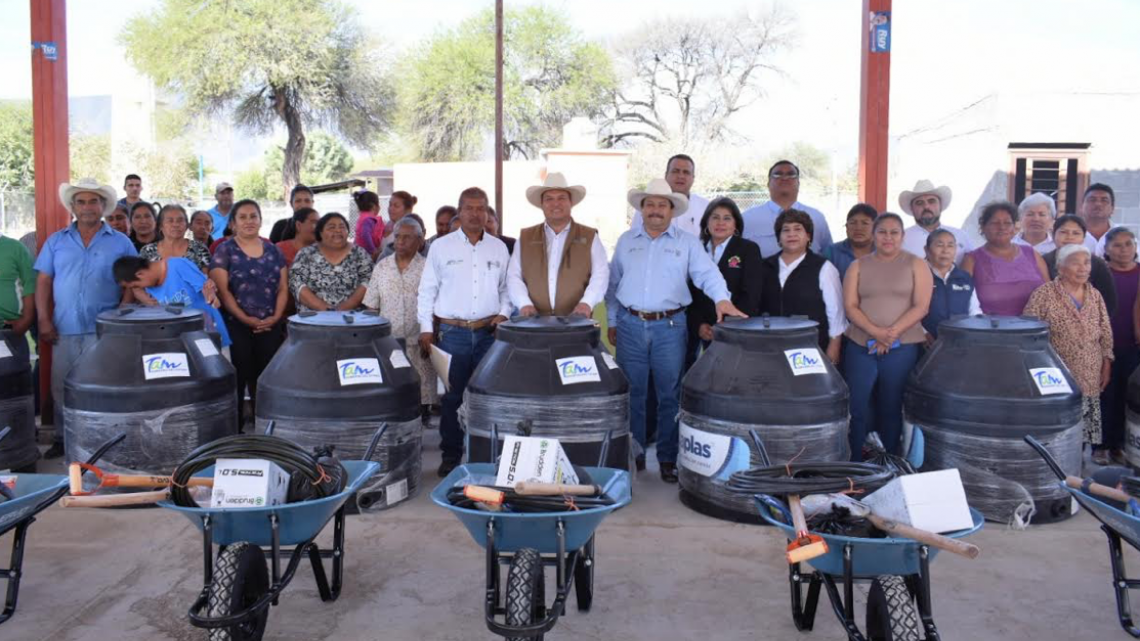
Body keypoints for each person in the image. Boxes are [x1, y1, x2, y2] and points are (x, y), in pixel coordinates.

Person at [606, 178, 747, 483]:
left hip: (670, 326)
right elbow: (613, 285)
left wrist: (722, 299)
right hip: (630, 326)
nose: (656, 210)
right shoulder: (626, 241)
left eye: (662, 205)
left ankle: (668, 457)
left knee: (670, 394)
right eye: (650, 204)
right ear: (642, 209)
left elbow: (707, 274)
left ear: (672, 210)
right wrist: (614, 321)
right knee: (634, 393)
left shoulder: (687, 243)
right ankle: (636, 453)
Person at [35, 178, 137, 458]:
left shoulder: (121, 242)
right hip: (64, 328)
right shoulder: (56, 242)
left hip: (103, 331)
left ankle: (103, 441)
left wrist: (120, 315)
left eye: (93, 201)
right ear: (72, 206)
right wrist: (43, 319)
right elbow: (43, 281)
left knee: (103, 386)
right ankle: (61, 438)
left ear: (103, 206)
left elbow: (133, 282)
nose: (88, 207)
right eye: (81, 201)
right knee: (61, 386)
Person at [417, 187, 511, 477]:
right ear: (460, 211)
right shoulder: (441, 247)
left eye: (481, 208)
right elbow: (427, 290)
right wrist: (425, 329)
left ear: (487, 212)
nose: (475, 213)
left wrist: (504, 313)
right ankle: (451, 455)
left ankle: (485, 455)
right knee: (453, 398)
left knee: (487, 397)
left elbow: (506, 289)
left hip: (488, 334)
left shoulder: (498, 247)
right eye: (469, 208)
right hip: (452, 334)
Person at [843, 213, 932, 458]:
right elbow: (850, 306)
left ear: (903, 236)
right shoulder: (857, 265)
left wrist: (890, 335)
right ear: (874, 235)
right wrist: (876, 333)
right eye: (882, 231)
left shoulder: (916, 263)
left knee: (892, 406)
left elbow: (921, 306)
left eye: (894, 232)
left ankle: (890, 460)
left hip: (901, 347)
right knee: (857, 406)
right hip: (861, 346)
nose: (888, 237)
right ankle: (855, 462)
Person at [1024, 244, 1113, 450]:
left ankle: (1079, 466)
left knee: (1083, 427)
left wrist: (1107, 362)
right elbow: (1029, 331)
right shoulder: (1044, 294)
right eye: (1076, 263)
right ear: (1061, 268)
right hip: (1056, 370)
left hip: (1090, 370)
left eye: (1087, 262)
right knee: (1057, 424)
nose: (1083, 268)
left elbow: (1105, 330)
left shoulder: (1095, 294)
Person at [209, 199, 288, 428]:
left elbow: (283, 287)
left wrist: (275, 317)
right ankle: (234, 432)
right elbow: (223, 292)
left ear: (261, 220)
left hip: (270, 325)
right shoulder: (225, 250)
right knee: (237, 378)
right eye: (242, 217)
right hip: (235, 326)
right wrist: (245, 319)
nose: (249, 221)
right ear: (233, 223)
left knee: (265, 379)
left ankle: (266, 429)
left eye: (253, 216)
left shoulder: (274, 250)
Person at [364, 217, 439, 423]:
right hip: (390, 340)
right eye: (398, 236)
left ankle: (422, 418)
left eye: (407, 237)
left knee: (422, 384)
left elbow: (437, 303)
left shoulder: (428, 267)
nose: (401, 241)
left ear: (420, 240)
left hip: (420, 338)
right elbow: (371, 305)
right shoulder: (382, 267)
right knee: (394, 383)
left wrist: (433, 332)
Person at [507, 173, 609, 317]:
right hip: (535, 322)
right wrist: (524, 303)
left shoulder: (590, 236)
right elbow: (513, 276)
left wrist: (587, 303)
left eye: (561, 198)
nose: (556, 204)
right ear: (542, 204)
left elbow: (601, 274)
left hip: (576, 322)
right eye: (549, 199)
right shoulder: (525, 238)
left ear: (570, 202)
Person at [761, 209, 846, 362]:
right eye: (785, 230)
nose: (791, 234)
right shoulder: (764, 266)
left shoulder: (824, 268)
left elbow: (836, 311)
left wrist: (834, 345)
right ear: (779, 238)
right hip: (770, 346)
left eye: (798, 229)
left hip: (810, 347)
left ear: (808, 236)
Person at [687, 197, 764, 354]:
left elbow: (751, 294)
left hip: (735, 331)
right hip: (702, 332)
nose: (720, 223)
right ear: (706, 222)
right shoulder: (697, 249)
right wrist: (700, 325)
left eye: (727, 218)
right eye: (715, 217)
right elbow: (691, 293)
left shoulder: (748, 249)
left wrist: (725, 326)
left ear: (736, 224)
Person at [112, 255, 231, 347]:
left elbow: (209, 293)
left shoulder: (177, 265)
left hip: (211, 335)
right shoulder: (151, 288)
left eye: (135, 285)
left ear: (140, 274)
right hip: (187, 342)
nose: (138, 289)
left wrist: (211, 295)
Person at [961, 201, 1049, 316]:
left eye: (1007, 223)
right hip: (990, 330)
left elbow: (1050, 292)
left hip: (1035, 329)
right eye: (994, 223)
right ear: (983, 227)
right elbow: (961, 299)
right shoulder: (971, 260)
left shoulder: (1031, 253)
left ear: (1014, 228)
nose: (1002, 227)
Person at [1098, 227, 1140, 465]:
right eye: (1117, 245)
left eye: (1128, 244)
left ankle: (1118, 446)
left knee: (1127, 396)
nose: (1123, 250)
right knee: (1103, 396)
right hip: (1103, 346)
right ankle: (1099, 445)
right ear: (1106, 250)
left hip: (1133, 347)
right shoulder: (1101, 274)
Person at [741, 160, 833, 257]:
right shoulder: (747, 218)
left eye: (791, 175)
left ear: (798, 183)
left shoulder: (817, 217)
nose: (784, 178)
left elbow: (829, 254)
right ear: (768, 183)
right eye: (777, 175)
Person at [289, 213, 372, 312]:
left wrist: (343, 309)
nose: (337, 230)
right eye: (331, 227)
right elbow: (296, 283)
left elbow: (368, 281)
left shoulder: (359, 253)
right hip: (313, 320)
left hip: (352, 319)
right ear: (320, 232)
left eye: (342, 227)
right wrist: (325, 309)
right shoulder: (306, 254)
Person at [1042, 215, 1118, 317]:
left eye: (1076, 233)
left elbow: (1108, 300)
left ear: (1083, 238)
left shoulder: (1097, 264)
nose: (1069, 237)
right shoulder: (1043, 261)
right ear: (1053, 234)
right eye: (1063, 232)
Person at [923, 229, 982, 340]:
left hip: (962, 340)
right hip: (927, 341)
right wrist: (922, 333)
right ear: (927, 250)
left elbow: (974, 309)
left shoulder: (965, 277)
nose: (945, 251)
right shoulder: (918, 275)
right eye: (939, 245)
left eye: (950, 246)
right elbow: (907, 309)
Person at [630, 154, 709, 236]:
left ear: (693, 178)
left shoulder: (706, 207)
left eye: (686, 172)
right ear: (666, 175)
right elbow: (633, 240)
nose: (681, 176)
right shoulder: (646, 207)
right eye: (675, 171)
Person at [897, 179, 973, 263]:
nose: (926, 206)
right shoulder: (900, 240)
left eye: (931, 201)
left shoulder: (961, 236)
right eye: (919, 203)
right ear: (912, 208)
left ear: (940, 205)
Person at [0, 227, 35, 368]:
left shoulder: (15, 248)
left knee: (11, 384)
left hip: (9, 332)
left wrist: (26, 320)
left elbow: (30, 283)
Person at [138, 204, 212, 272]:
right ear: (161, 226)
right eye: (170, 221)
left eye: (180, 220)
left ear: (187, 225)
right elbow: (140, 281)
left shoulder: (199, 249)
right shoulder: (147, 251)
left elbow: (205, 280)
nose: (176, 224)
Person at [822, 203, 878, 280]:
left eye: (865, 223)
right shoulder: (831, 253)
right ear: (846, 227)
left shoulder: (883, 252)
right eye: (853, 223)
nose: (858, 228)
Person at [1081, 183, 1116, 255]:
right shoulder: (1069, 234)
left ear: (1112, 208)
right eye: (1092, 199)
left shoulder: (1123, 235)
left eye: (1104, 200)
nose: (1098, 204)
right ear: (1082, 207)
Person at [352, 190, 386, 259]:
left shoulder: (363, 217)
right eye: (378, 203)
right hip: (364, 253)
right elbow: (365, 235)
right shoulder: (368, 219)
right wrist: (373, 250)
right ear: (374, 206)